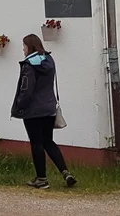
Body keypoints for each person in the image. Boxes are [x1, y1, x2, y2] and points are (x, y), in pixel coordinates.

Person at [10, 34, 76, 189]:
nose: (23, 49)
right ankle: (65, 172)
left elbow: (26, 89)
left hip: (33, 111)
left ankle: (42, 179)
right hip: (49, 108)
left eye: (24, 46)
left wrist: (19, 106)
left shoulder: (29, 65)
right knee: (48, 141)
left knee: (36, 143)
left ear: (30, 47)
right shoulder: (49, 60)